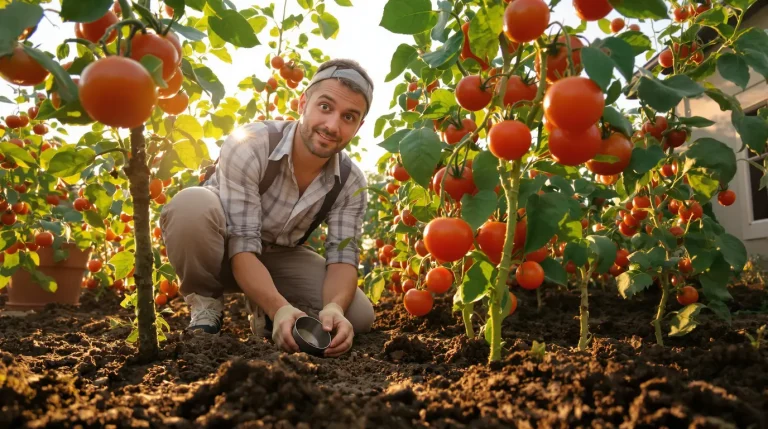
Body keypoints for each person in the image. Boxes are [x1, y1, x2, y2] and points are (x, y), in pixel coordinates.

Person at [160, 58, 376, 358]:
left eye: (349, 117)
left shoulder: (350, 182)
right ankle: (207, 304)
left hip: (276, 256)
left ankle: (271, 316)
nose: (332, 125)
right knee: (190, 205)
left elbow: (343, 259)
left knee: (359, 316)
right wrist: (278, 304)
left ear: (359, 126)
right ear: (303, 103)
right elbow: (243, 247)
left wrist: (334, 307)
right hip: (219, 246)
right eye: (325, 107)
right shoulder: (252, 143)